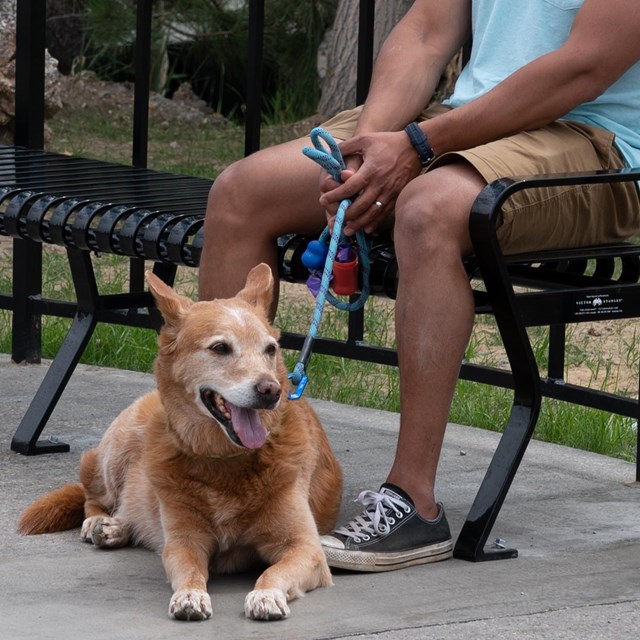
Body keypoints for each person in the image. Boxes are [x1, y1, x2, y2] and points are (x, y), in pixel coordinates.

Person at [198, 0, 640, 572]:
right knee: (243, 191)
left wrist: (418, 147)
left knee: (428, 209)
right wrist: (367, 152)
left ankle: (414, 505)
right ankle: (222, 471)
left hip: (597, 143)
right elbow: (427, 32)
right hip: (462, 119)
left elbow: (586, 67)